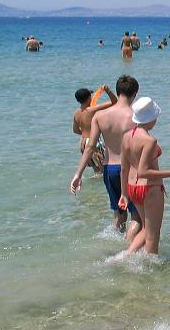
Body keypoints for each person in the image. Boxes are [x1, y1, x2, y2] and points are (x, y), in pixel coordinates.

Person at [70, 75, 142, 241]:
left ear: (118, 91)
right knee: (137, 216)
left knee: (119, 215)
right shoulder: (135, 115)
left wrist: (77, 175)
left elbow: (89, 147)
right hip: (129, 170)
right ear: (135, 94)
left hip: (109, 169)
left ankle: (113, 244)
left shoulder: (100, 116)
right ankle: (129, 250)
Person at [121, 97, 170, 255]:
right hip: (149, 188)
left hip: (132, 187)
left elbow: (124, 168)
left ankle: (123, 257)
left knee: (145, 229)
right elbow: (143, 171)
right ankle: (151, 271)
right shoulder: (149, 140)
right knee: (153, 236)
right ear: (150, 118)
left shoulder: (126, 136)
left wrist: (123, 194)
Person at [73, 85, 117, 175]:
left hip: (83, 143)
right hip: (94, 142)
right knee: (104, 170)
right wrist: (107, 90)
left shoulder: (76, 113)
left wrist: (86, 134)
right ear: (89, 98)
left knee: (97, 171)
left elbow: (76, 130)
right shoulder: (92, 110)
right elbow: (115, 102)